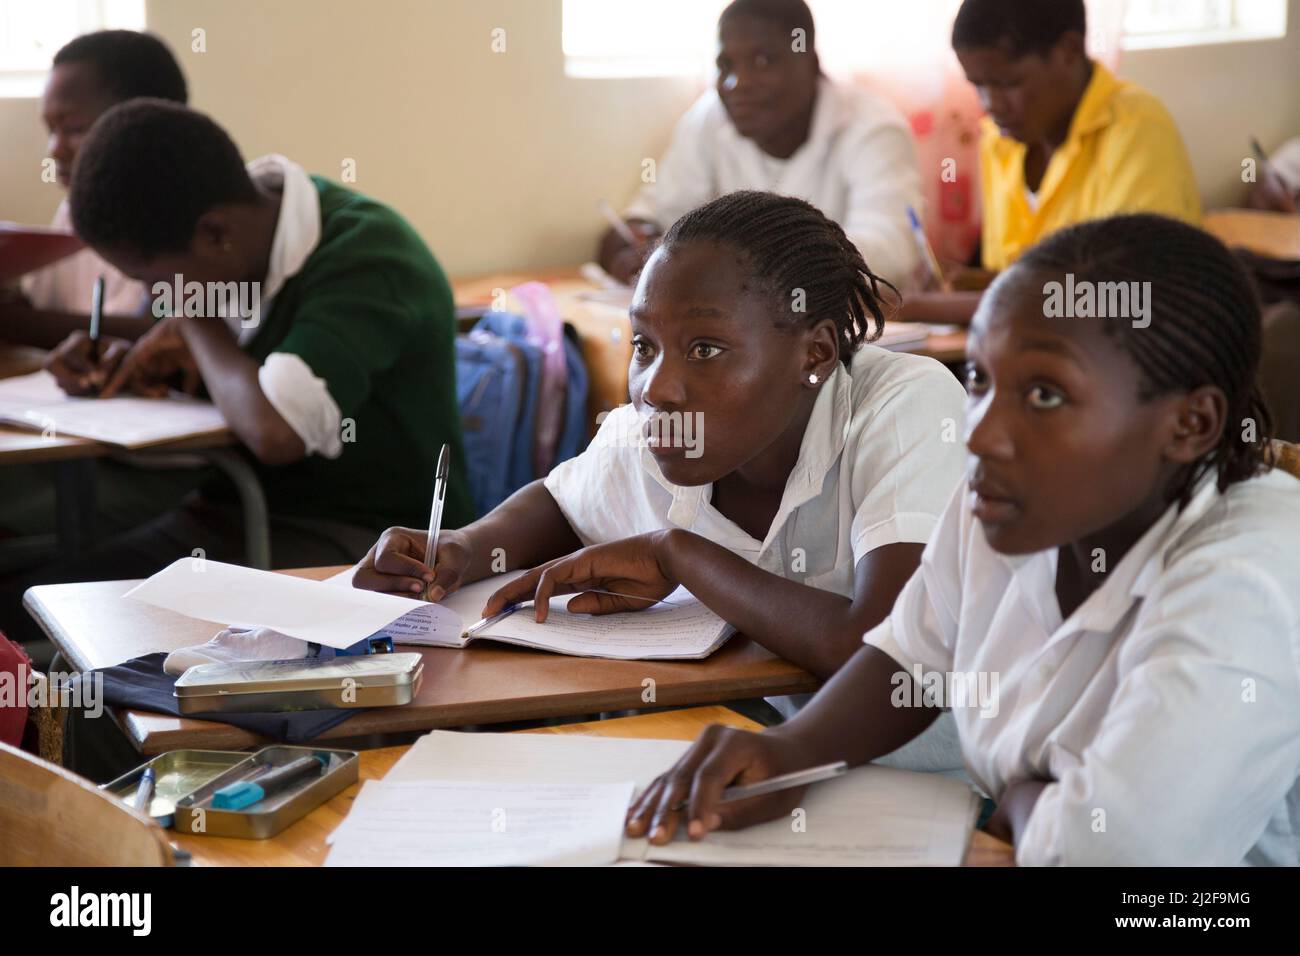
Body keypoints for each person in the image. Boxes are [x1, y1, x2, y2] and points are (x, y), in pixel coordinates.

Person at [625, 214, 1300, 866]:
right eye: (979, 379)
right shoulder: (1016, 505)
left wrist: (1028, 798)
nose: (979, 433)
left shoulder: (1243, 580)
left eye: (1042, 395)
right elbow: (911, 660)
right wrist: (791, 753)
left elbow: (1111, 854)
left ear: (1190, 423)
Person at [359, 190, 968, 769]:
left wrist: (677, 554)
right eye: (644, 346)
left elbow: (880, 646)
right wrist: (465, 548)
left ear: (815, 354)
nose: (656, 388)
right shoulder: (656, 431)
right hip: (748, 767)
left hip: (932, 791)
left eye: (704, 349)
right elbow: (560, 503)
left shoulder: (906, 407)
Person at [0, 100, 474, 644]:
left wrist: (195, 317)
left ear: (215, 233)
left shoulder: (370, 256)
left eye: (156, 280)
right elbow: (185, 344)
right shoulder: (221, 242)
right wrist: (117, 359)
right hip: (235, 512)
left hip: (375, 547)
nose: (161, 295)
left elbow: (277, 430)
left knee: (85, 627)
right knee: (34, 602)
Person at [903, 0, 1200, 326]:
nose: (991, 104)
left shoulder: (1136, 130)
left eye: (1009, 83)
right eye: (978, 85)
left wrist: (916, 307)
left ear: (1069, 51)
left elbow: (1128, 297)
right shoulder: (1001, 140)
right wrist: (976, 282)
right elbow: (1035, 279)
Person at [597, 0, 923, 291]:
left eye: (763, 61)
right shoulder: (709, 117)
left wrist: (738, 266)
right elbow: (658, 212)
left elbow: (889, 253)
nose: (738, 83)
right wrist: (638, 240)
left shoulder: (873, 129)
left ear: (810, 63)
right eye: (726, 65)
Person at [1, 30, 188, 348]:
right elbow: (43, 308)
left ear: (141, 121)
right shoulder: (75, 210)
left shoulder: (192, 214)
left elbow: (169, 334)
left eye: (73, 128)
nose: (55, 149)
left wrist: (15, 324)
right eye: (51, 131)